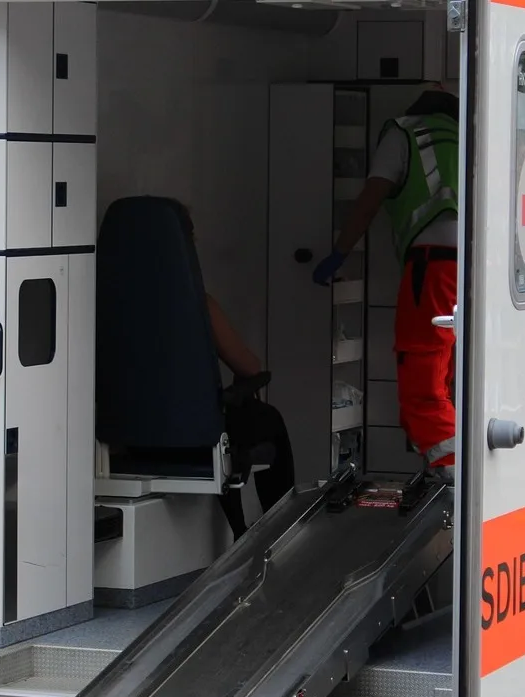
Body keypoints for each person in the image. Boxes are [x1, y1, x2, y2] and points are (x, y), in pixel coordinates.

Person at [312, 82, 460, 482]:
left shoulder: (404, 132)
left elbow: (369, 200)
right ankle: (452, 458)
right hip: (477, 267)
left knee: (421, 362)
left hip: (434, 265)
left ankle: (448, 467)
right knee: (451, 367)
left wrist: (340, 252)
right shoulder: (467, 135)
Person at [173, 202, 296, 540]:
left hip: (127, 438)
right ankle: (279, 532)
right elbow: (249, 366)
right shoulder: (198, 304)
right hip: (195, 434)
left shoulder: (104, 302)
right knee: (268, 419)